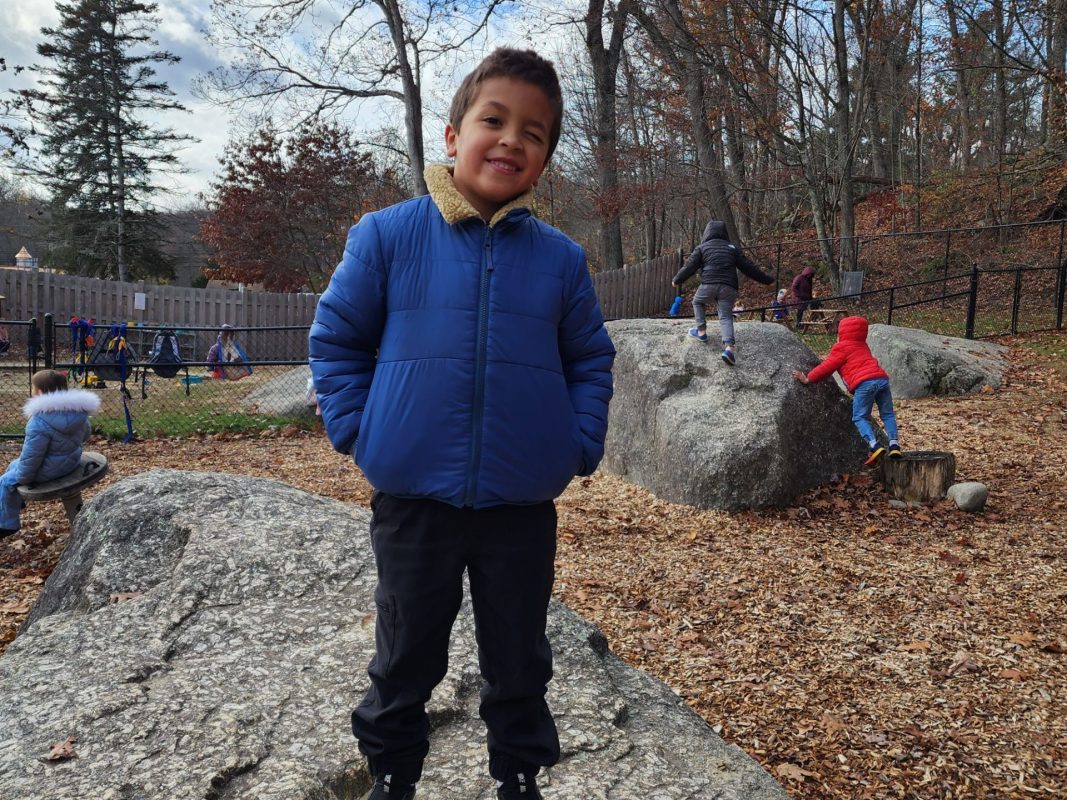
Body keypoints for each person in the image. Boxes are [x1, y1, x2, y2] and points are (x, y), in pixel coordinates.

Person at [309, 48, 615, 800]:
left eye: (534, 133)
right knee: (405, 650)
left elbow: (589, 358)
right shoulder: (387, 236)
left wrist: (578, 442)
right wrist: (360, 430)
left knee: (519, 654)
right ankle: (392, 774)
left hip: (520, 501)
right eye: (494, 121)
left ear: (545, 157)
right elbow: (337, 339)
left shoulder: (560, 260)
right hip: (414, 496)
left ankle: (518, 774)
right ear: (452, 136)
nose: (512, 140)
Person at [791, 316, 902, 467]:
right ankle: (894, 444)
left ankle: (874, 445)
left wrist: (808, 378)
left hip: (864, 383)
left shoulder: (842, 347)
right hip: (882, 379)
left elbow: (827, 366)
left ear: (842, 333)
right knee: (887, 414)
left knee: (860, 417)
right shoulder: (863, 345)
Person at [1, 370, 100, 537]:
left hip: (51, 470)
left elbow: (32, 458)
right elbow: (85, 435)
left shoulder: (39, 421)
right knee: (13, 465)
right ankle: (15, 502)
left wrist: (23, 479)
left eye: (33, 388)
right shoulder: (78, 411)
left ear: (39, 392)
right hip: (72, 461)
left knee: (5, 481)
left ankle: (6, 525)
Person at [671, 220, 773, 365]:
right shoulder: (732, 248)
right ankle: (729, 349)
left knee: (698, 302)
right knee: (725, 316)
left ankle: (701, 332)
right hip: (728, 287)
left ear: (707, 233)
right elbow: (748, 267)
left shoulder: (702, 248)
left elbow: (690, 266)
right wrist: (766, 280)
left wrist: (677, 280)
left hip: (709, 284)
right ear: (725, 233)